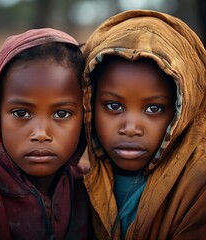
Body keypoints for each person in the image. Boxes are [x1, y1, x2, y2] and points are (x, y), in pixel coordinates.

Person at [82, 9, 206, 240]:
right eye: (113, 106)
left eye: (153, 109)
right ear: (88, 103)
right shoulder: (73, 180)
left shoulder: (198, 187)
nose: (130, 128)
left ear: (184, 111)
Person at [0, 28, 91, 239]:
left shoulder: (88, 187)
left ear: (85, 115)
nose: (41, 134)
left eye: (62, 113)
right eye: (21, 113)